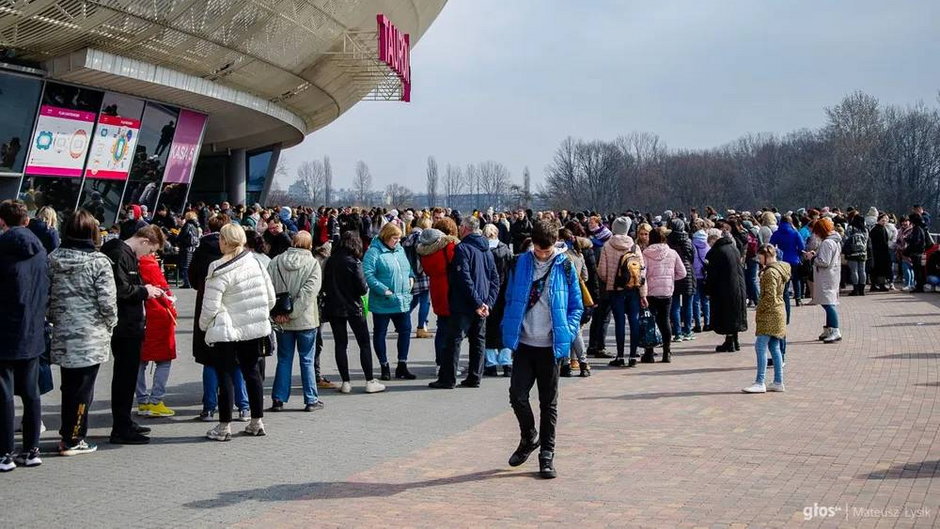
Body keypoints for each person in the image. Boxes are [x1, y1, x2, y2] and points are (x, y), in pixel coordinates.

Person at [502, 219, 582, 479]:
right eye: (538, 249)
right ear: (532, 243)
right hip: (525, 342)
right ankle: (529, 437)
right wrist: (507, 325)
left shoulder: (565, 265)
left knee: (548, 403)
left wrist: (568, 333)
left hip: (551, 345)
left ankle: (547, 454)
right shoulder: (520, 263)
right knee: (517, 395)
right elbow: (510, 297)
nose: (543, 254)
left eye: (547, 250)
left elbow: (576, 306)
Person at [48, 210, 118, 456]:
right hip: (91, 335)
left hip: (63, 333)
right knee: (84, 390)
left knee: (69, 387)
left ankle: (68, 433)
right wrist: (111, 324)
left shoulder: (53, 259)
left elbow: (45, 297)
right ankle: (74, 437)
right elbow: (108, 302)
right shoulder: (99, 262)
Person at [199, 224, 275, 441]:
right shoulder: (256, 263)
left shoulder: (218, 267)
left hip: (228, 330)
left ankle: (224, 427)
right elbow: (270, 298)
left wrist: (204, 326)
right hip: (254, 328)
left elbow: (210, 306)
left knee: (226, 376)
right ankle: (256, 421)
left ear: (224, 241)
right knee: (252, 374)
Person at [101, 225, 165, 445]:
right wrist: (145, 291)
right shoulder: (120, 254)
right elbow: (120, 290)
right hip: (125, 326)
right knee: (125, 376)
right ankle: (121, 426)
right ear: (144, 241)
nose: (147, 256)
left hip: (130, 324)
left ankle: (125, 421)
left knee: (127, 376)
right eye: (149, 251)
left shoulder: (123, 253)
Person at [0, 200, 49, 470]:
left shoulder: (2, 249)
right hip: (32, 330)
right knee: (32, 393)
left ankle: (5, 452)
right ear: (26, 220)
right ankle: (31, 449)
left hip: (6, 330)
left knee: (4, 394)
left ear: (2, 221)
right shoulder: (40, 249)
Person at [191, 215, 251, 421]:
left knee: (210, 363)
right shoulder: (245, 259)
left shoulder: (202, 253)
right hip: (235, 313)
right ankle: (243, 407)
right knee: (236, 364)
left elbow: (193, 280)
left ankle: (209, 407)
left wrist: (204, 323)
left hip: (208, 312)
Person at [428, 216, 499, 389]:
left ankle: (448, 378)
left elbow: (464, 278)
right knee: (478, 341)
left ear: (466, 228)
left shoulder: (463, 249)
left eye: (461, 226)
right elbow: (495, 279)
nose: (459, 229)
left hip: (465, 305)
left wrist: (478, 303)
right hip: (481, 303)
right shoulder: (486, 250)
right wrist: (487, 303)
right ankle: (475, 377)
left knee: (454, 341)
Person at [268, 231, 324, 412]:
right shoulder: (313, 264)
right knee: (307, 359)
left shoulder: (275, 261)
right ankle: (310, 399)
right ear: (309, 245)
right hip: (306, 320)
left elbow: (267, 289)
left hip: (281, 319)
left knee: (284, 359)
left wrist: (279, 313)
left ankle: (278, 398)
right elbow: (308, 293)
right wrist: (293, 313)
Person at [322, 231, 385, 394]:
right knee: (363, 343)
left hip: (334, 306)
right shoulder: (354, 262)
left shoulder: (330, 261)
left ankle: (345, 382)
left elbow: (324, 284)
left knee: (340, 344)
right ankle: (369, 380)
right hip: (353, 306)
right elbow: (363, 289)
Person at [363, 222, 415, 381]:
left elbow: (407, 268)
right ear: (386, 237)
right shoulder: (374, 252)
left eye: (399, 238)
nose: (398, 241)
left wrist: (411, 277)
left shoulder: (400, 250)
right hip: (383, 301)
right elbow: (368, 274)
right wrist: (383, 289)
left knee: (405, 331)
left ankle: (402, 364)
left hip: (402, 300)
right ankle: (384, 365)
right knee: (380, 333)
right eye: (395, 238)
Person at [596, 217, 645, 367]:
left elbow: (602, 272)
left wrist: (612, 279)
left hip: (615, 289)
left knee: (619, 322)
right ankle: (632, 356)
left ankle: (620, 356)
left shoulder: (607, 246)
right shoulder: (634, 246)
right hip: (633, 289)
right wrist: (643, 294)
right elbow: (641, 272)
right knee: (634, 321)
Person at [743, 244, 790, 393]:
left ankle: (760, 381)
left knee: (761, 346)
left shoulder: (770, 273)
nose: (758, 260)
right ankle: (778, 381)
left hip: (770, 313)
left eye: (760, 257)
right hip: (779, 310)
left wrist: (760, 309)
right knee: (774, 347)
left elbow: (769, 296)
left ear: (766, 255)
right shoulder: (782, 268)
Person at [135, 251, 177, 418]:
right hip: (159, 317)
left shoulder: (134, 262)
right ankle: (156, 400)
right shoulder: (150, 264)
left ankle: (142, 401)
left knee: (141, 361)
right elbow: (164, 291)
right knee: (164, 360)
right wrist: (172, 307)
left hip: (141, 317)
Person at [417, 220, 460, 372]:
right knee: (453, 331)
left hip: (436, 287)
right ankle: (449, 364)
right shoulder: (448, 247)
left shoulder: (425, 250)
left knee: (441, 328)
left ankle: (439, 362)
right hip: (450, 287)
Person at [641, 227, 686, 363]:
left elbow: (642, 273)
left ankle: (649, 352)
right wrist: (670, 279)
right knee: (665, 320)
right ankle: (667, 352)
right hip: (666, 291)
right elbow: (682, 272)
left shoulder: (646, 253)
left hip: (650, 291)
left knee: (650, 321)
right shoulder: (672, 253)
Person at [705, 229, 748, 352]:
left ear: (713, 239)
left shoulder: (716, 252)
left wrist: (708, 290)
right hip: (738, 286)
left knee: (726, 315)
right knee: (735, 314)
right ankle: (735, 341)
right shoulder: (733, 248)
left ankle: (730, 342)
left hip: (724, 288)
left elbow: (712, 274)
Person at [483, 223, 515, 377]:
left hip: (488, 293)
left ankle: (491, 363)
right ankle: (506, 362)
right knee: (505, 327)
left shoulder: (482, 251)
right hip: (505, 293)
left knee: (488, 328)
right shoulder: (506, 251)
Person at [808, 218, 843, 343]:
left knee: (828, 303)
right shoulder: (834, 241)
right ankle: (829, 328)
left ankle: (835, 329)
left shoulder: (827, 243)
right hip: (831, 275)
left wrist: (812, 258)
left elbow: (824, 262)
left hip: (826, 276)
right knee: (828, 302)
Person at [667, 219, 695, 342]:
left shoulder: (669, 241)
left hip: (674, 272)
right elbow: (691, 256)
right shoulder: (688, 240)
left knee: (675, 305)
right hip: (688, 272)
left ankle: (677, 332)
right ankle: (687, 330)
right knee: (688, 304)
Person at [403, 218, 432, 339]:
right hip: (422, 272)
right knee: (425, 301)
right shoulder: (421, 238)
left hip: (411, 273)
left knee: (414, 299)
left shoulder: (408, 238)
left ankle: (401, 318)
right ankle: (421, 327)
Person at [769, 215, 805, 305]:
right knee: (796, 279)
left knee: (784, 280)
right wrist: (798, 253)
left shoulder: (777, 233)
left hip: (782, 260)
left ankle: (784, 298)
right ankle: (798, 299)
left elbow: (771, 246)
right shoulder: (795, 233)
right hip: (794, 259)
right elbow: (802, 246)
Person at [691, 220, 711, 332]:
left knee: (696, 300)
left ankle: (698, 324)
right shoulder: (708, 247)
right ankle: (707, 323)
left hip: (695, 275)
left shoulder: (692, 246)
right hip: (705, 276)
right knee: (706, 300)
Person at [844, 214, 870, 296]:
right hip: (863, 252)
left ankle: (855, 289)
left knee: (854, 270)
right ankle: (862, 289)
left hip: (852, 253)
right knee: (862, 270)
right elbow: (866, 240)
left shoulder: (851, 228)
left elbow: (845, 238)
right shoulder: (865, 229)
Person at [176, 211, 200, 288]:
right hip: (193, 247)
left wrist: (178, 239)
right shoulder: (196, 226)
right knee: (190, 265)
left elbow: (182, 235)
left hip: (186, 247)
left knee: (185, 265)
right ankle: (191, 282)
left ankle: (187, 282)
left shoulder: (188, 225)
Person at [869, 214, 892, 292]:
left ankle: (874, 285)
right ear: (878, 220)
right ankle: (881, 285)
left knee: (875, 269)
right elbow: (884, 242)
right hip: (881, 253)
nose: (884, 222)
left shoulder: (875, 229)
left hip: (876, 252)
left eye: (885, 220)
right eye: (882, 220)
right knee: (881, 270)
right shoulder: (880, 229)